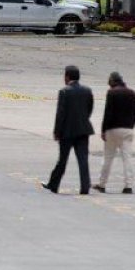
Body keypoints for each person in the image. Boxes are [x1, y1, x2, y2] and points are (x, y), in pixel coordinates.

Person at [42, 65, 95, 195]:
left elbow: (61, 113)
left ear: (67, 77)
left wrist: (57, 131)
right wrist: (83, 120)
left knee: (63, 159)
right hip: (83, 130)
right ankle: (85, 187)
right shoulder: (87, 91)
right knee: (83, 160)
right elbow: (89, 108)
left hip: (67, 131)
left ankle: (54, 184)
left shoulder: (64, 92)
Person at [93, 72, 135, 194]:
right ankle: (128, 185)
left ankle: (102, 184)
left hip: (113, 129)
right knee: (127, 158)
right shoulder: (132, 93)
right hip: (127, 129)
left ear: (113, 81)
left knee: (108, 158)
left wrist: (103, 130)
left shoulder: (112, 93)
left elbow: (108, 113)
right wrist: (130, 126)